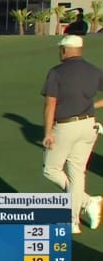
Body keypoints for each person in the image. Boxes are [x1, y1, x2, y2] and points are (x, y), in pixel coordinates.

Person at [41, 35, 103, 234]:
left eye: (61, 49)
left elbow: (50, 105)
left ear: (66, 50)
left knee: (51, 169)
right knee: (77, 173)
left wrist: (48, 132)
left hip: (66, 127)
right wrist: (92, 106)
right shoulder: (94, 70)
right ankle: (74, 220)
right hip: (89, 126)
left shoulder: (56, 72)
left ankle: (86, 203)